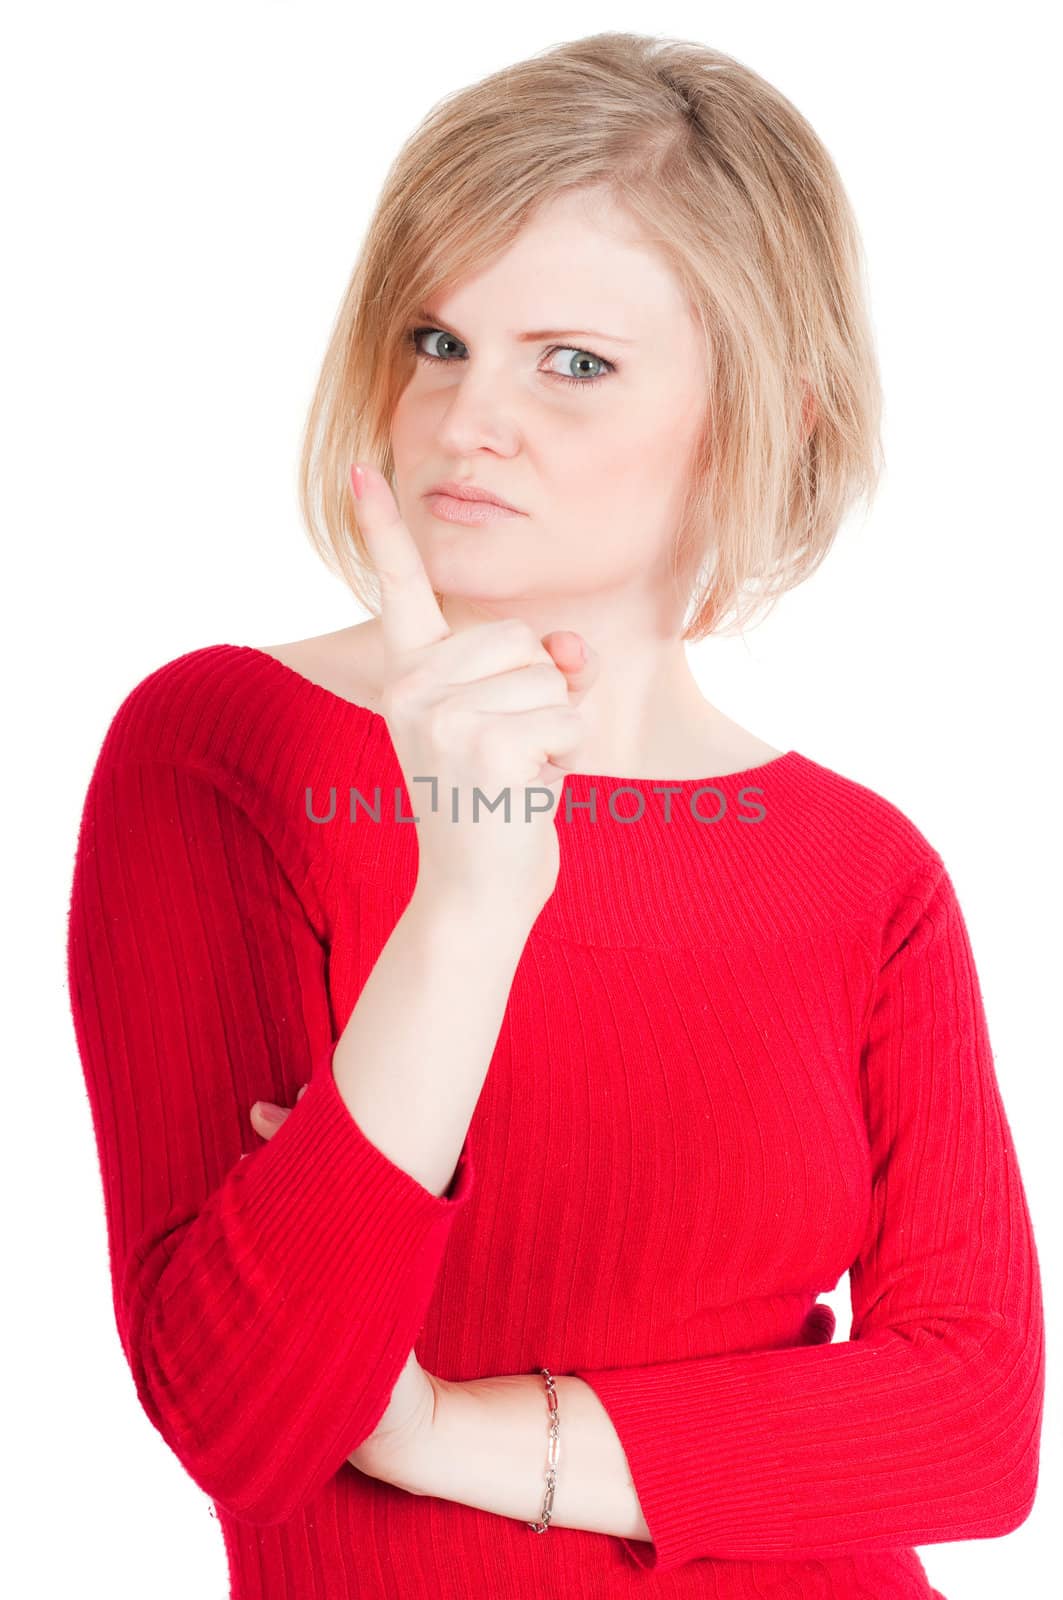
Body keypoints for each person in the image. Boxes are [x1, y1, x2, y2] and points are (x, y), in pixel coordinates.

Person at [65, 30, 1044, 1600]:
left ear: (770, 418)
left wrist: (451, 1429)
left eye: (572, 363)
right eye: (436, 339)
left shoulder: (865, 871)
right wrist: (470, 902)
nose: (467, 420)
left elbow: (978, 1429)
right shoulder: (224, 754)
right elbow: (245, 1421)